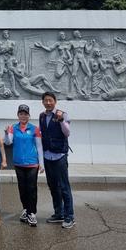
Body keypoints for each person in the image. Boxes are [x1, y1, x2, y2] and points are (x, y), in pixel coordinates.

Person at [39, 92, 75, 229]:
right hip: (47, 156)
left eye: (50, 100)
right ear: (43, 102)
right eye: (45, 100)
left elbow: (67, 133)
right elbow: (43, 134)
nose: (48, 103)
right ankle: (58, 213)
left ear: (55, 101)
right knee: (53, 186)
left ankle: (69, 216)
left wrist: (60, 121)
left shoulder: (63, 114)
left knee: (64, 187)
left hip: (59, 155)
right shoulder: (42, 116)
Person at [4, 104, 44, 227]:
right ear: (18, 115)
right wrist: (6, 133)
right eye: (21, 113)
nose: (23, 116)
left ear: (28, 115)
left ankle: (32, 213)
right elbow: (8, 142)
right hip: (18, 163)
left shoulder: (34, 129)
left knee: (31, 188)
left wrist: (41, 164)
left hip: (32, 164)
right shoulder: (13, 128)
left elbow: (39, 146)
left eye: (25, 114)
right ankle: (26, 209)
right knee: (22, 188)